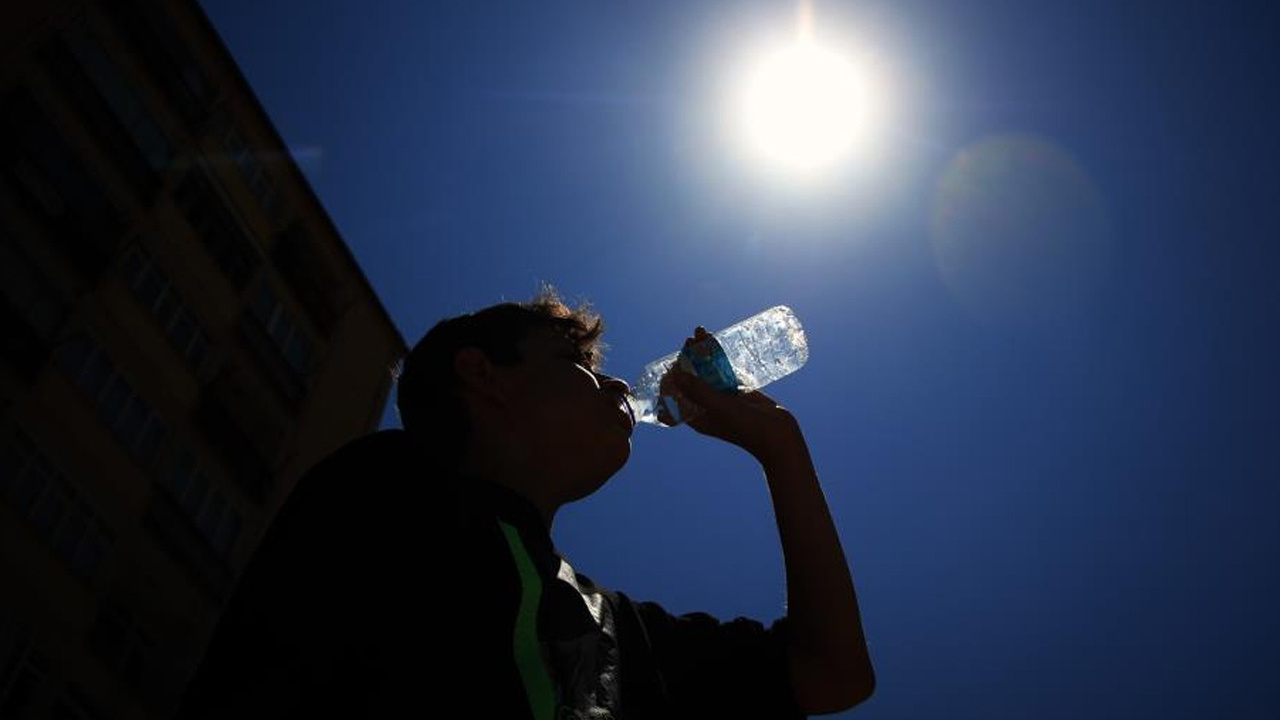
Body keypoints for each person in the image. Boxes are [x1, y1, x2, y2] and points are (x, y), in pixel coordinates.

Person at [174, 287, 874, 719]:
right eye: (579, 366)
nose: (615, 389)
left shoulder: (613, 632)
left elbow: (833, 675)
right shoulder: (390, 497)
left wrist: (781, 447)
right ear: (485, 377)